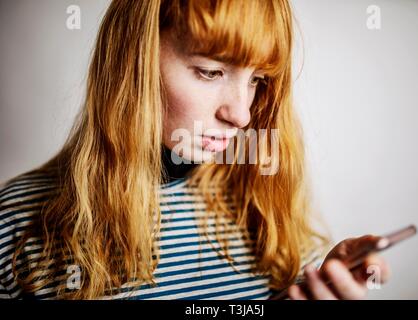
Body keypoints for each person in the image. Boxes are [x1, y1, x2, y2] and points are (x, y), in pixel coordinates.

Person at [0, 0, 390, 300]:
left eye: (258, 79)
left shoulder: (263, 202)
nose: (241, 114)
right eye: (210, 71)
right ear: (135, 61)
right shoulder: (17, 224)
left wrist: (311, 288)